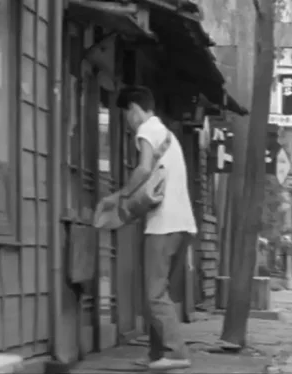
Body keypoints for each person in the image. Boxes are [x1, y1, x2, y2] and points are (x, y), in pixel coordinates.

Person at [108, 85, 198, 370]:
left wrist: (122, 194)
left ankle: (176, 353)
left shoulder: (147, 130)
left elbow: (145, 168)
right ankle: (157, 353)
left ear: (134, 109)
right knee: (159, 292)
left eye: (126, 114)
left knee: (154, 294)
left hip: (163, 225)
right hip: (183, 225)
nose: (128, 121)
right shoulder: (168, 134)